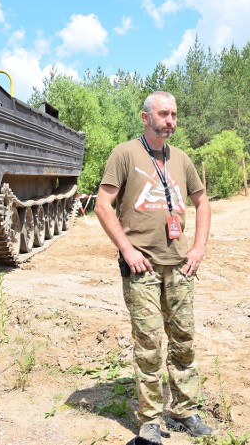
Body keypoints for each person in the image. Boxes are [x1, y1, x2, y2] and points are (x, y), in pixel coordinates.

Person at [94, 91, 213, 444]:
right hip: (142, 267)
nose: (171, 121)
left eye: (174, 114)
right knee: (148, 343)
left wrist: (199, 248)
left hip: (179, 266)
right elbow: (102, 205)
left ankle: (184, 410)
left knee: (184, 340)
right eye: (164, 114)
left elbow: (202, 202)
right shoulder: (125, 154)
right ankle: (149, 420)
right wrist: (127, 249)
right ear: (146, 118)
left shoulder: (182, 159)